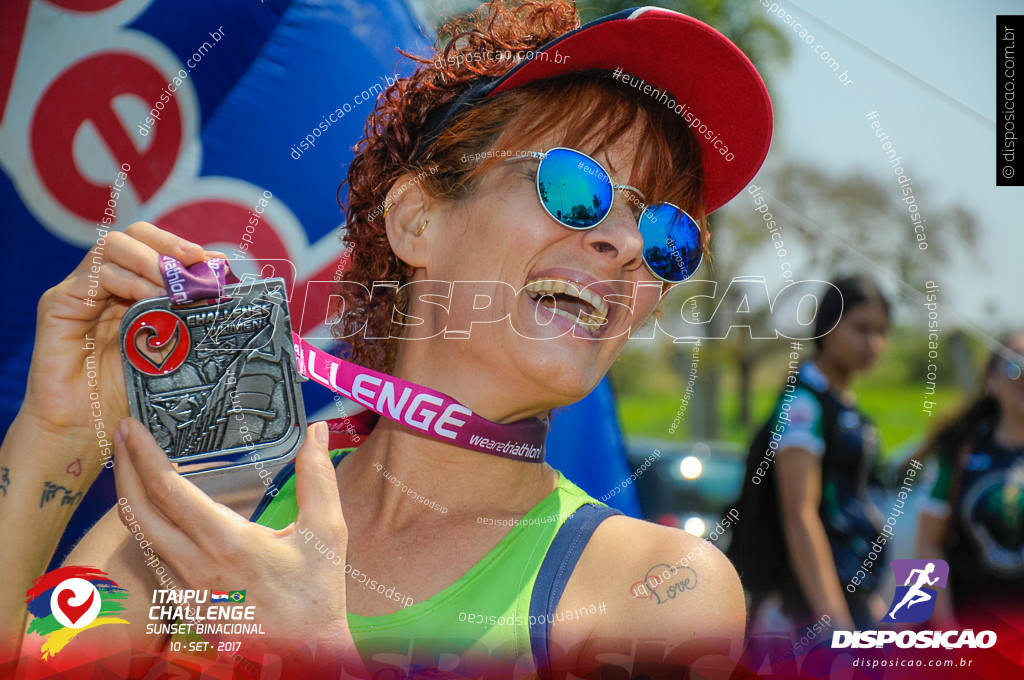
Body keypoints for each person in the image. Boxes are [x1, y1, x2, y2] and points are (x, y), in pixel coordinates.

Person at [0, 2, 773, 677]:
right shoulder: (203, 514)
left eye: (670, 234)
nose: (627, 245)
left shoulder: (656, 587)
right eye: (576, 189)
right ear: (417, 220)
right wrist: (53, 436)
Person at [730, 275, 892, 636]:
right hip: (804, 606)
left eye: (881, 331)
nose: (873, 343)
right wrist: (834, 622)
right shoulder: (803, 404)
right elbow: (799, 514)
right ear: (827, 327)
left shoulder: (845, 407)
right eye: (861, 328)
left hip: (849, 595)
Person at [916, 331, 1024, 628]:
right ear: (991, 381)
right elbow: (927, 545)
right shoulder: (958, 452)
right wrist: (946, 630)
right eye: (1016, 366)